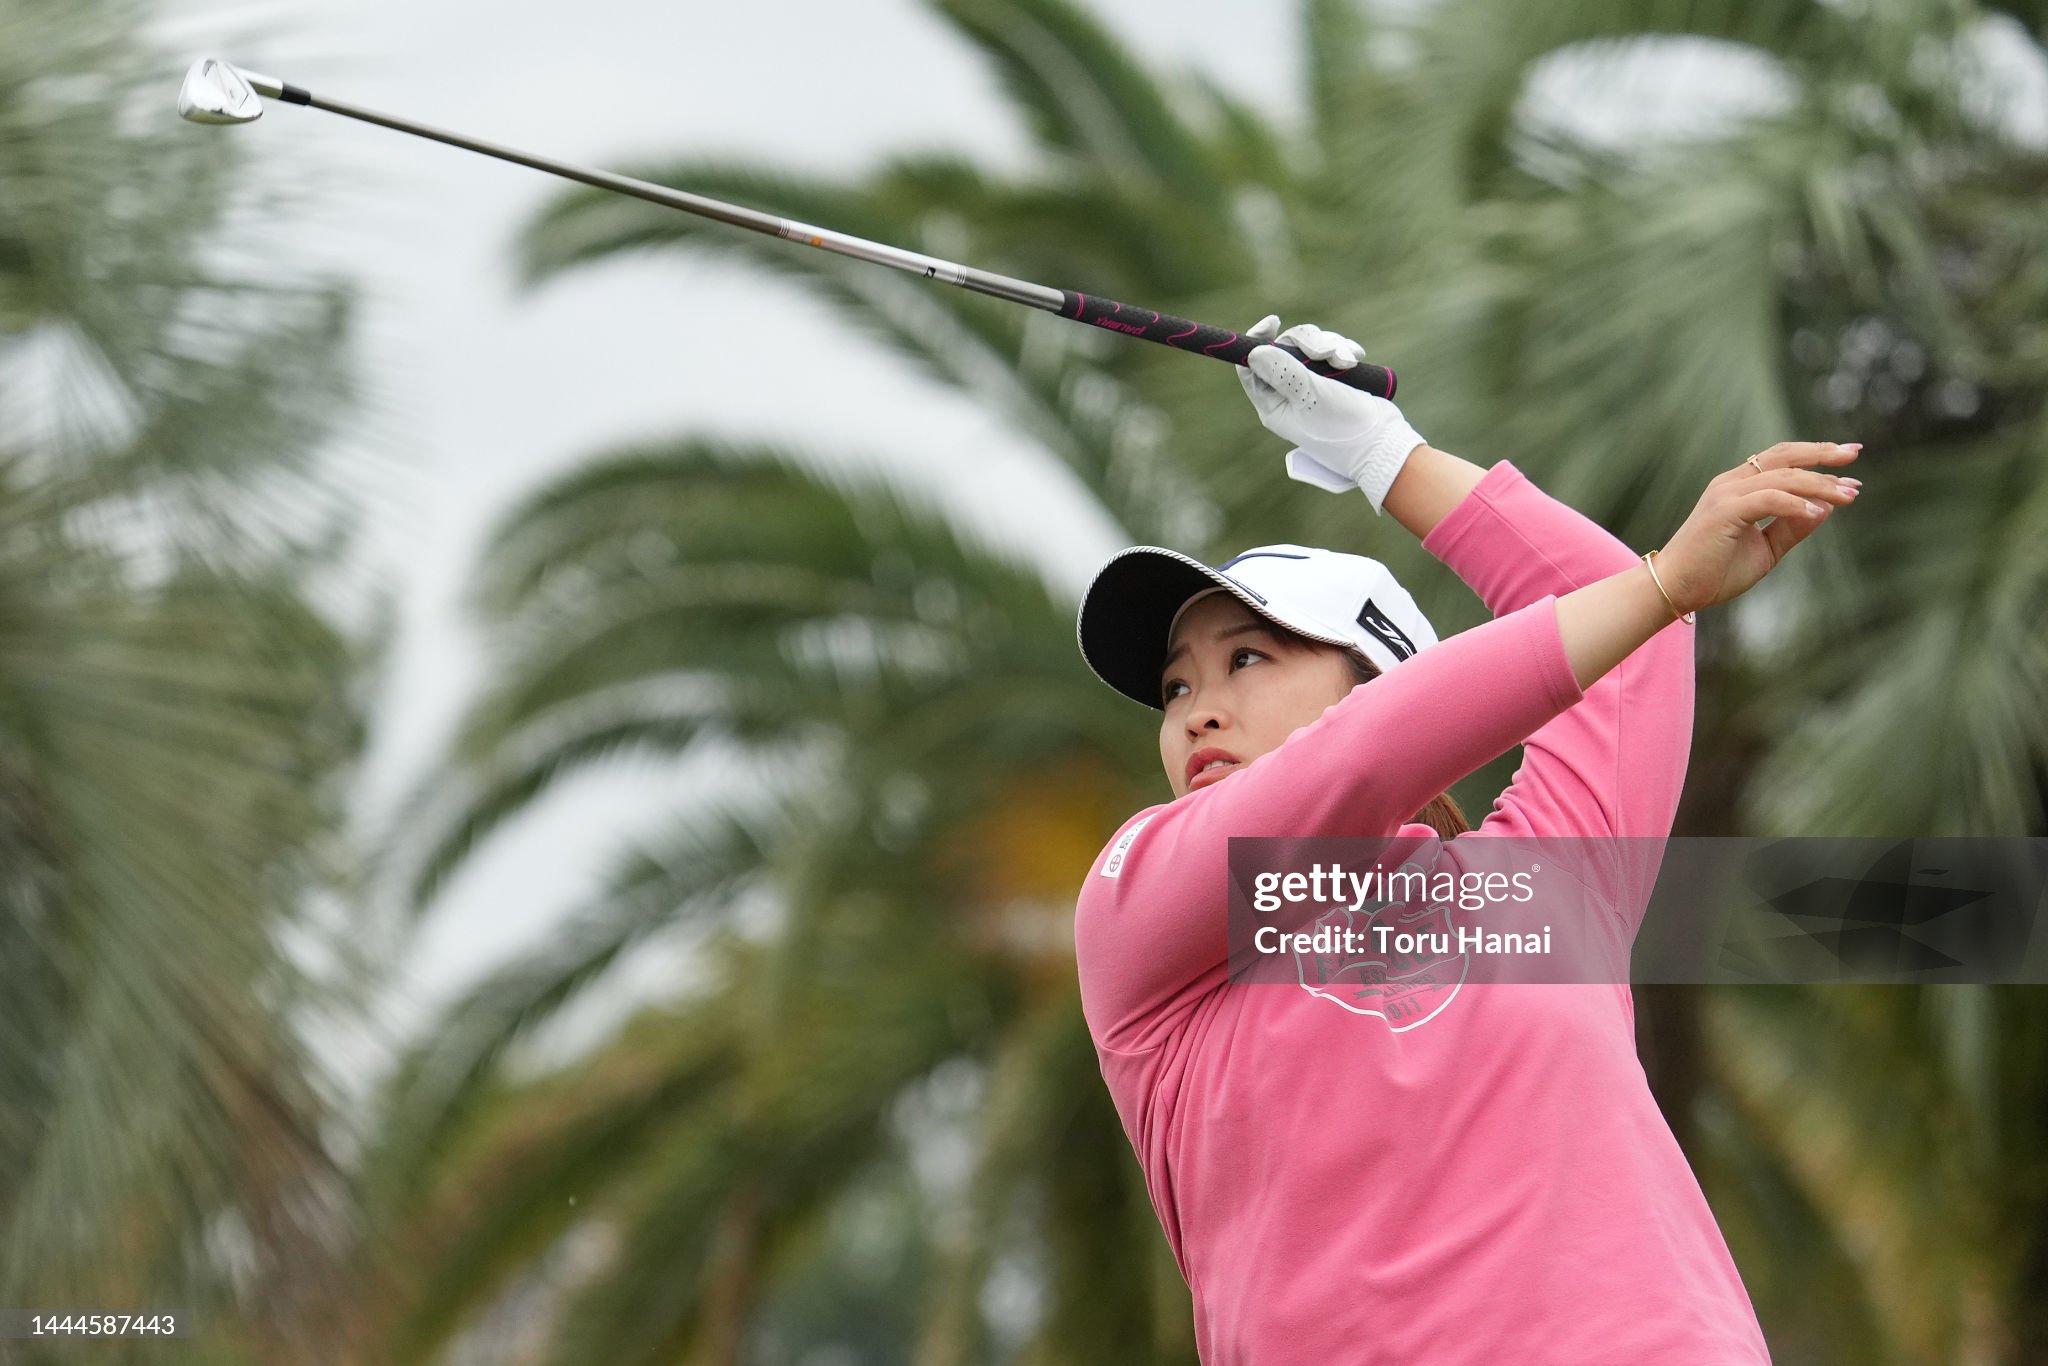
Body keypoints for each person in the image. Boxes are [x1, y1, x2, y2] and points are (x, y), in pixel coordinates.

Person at [1071, 315, 1862, 1364]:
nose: (1195, 712)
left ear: (1389, 679)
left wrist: (1384, 455)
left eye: (1248, 660)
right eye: (1175, 687)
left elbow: (1631, 638)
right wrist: (1662, 578)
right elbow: (1353, 761)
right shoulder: (1146, 912)